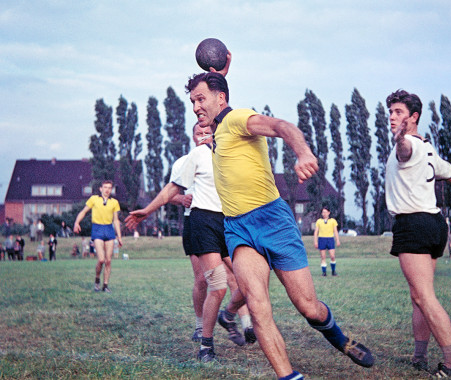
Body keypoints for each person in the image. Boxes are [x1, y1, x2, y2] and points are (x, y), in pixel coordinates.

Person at [184, 69, 374, 379]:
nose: (195, 107)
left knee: (309, 307)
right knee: (258, 308)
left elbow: (281, 126)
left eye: (201, 99)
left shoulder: (236, 119)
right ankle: (288, 376)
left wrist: (302, 153)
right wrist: (221, 68)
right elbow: (218, 91)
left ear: (221, 98)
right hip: (237, 229)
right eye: (192, 101)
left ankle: (341, 339)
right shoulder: (216, 131)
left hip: (272, 221)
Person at [125, 124, 255, 359]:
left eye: (209, 130)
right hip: (201, 220)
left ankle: (231, 317)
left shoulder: (231, 154)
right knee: (217, 284)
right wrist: (148, 209)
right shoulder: (196, 155)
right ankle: (206, 345)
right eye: (200, 132)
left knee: (244, 279)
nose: (205, 135)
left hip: (228, 222)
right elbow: (171, 189)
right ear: (194, 137)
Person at [385, 89, 451, 378]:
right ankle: (419, 356)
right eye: (390, 112)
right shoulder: (427, 147)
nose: (392, 117)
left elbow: (403, 150)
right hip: (434, 224)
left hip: (413, 224)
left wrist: (399, 137)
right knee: (419, 295)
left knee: (424, 296)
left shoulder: (409, 144)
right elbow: (448, 172)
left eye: (398, 112)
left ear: (413, 117)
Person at [73, 180, 123, 293]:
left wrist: (119, 237)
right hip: (97, 229)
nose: (107, 190)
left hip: (109, 230)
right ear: (101, 189)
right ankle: (97, 281)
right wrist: (77, 222)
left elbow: (116, 220)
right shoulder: (94, 199)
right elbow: (83, 211)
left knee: (108, 261)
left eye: (109, 188)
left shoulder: (114, 202)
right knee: (101, 260)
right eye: (105, 187)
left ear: (111, 189)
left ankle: (105, 286)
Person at [313, 206, 340, 276]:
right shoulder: (319, 221)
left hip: (330, 239)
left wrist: (337, 240)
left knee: (332, 256)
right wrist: (315, 241)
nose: (324, 214)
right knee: (323, 257)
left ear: (329, 213)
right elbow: (316, 232)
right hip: (322, 239)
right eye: (323, 212)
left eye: (325, 212)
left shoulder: (333, 221)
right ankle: (324, 272)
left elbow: (335, 231)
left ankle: (333, 271)